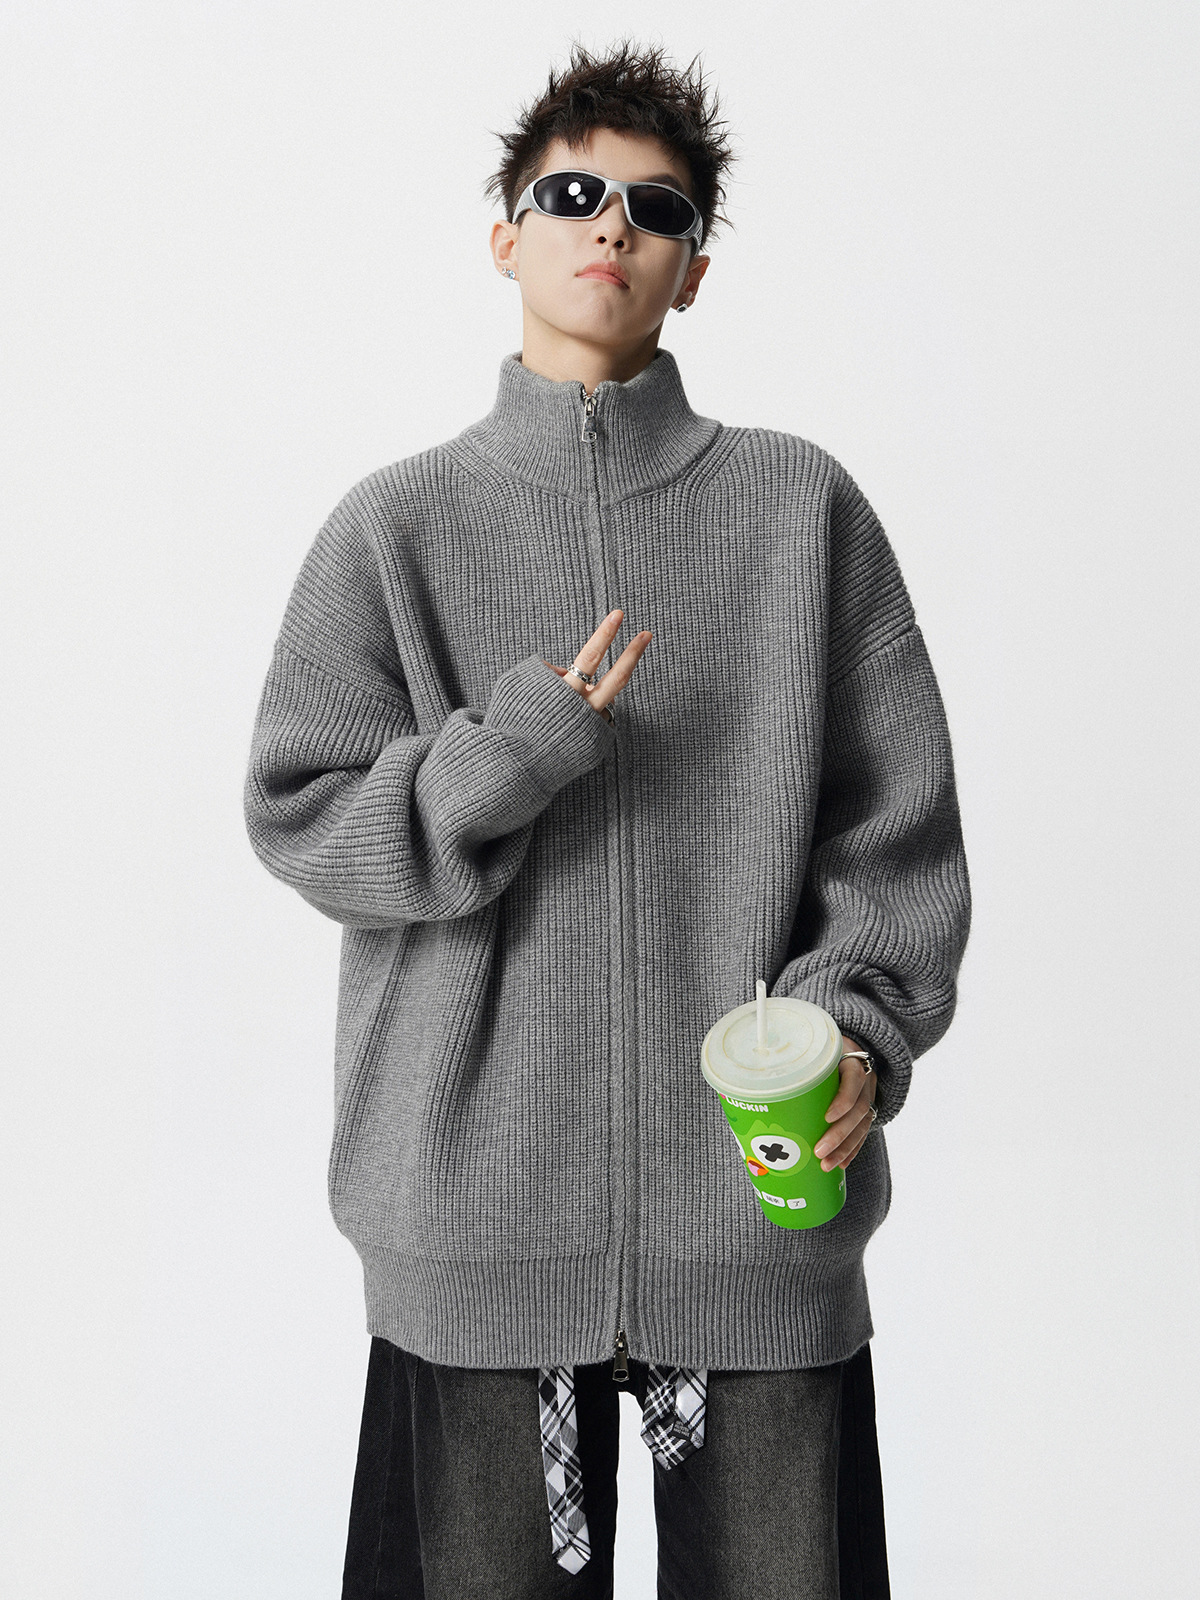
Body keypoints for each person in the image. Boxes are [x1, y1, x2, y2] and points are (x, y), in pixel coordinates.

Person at [242, 37, 971, 1600]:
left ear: (693, 270)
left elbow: (895, 846)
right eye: (573, 195)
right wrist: (509, 752)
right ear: (505, 236)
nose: (613, 226)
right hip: (470, 1224)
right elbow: (305, 820)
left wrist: (854, 1039)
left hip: (758, 1218)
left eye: (659, 207)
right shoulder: (394, 526)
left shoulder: (803, 511)